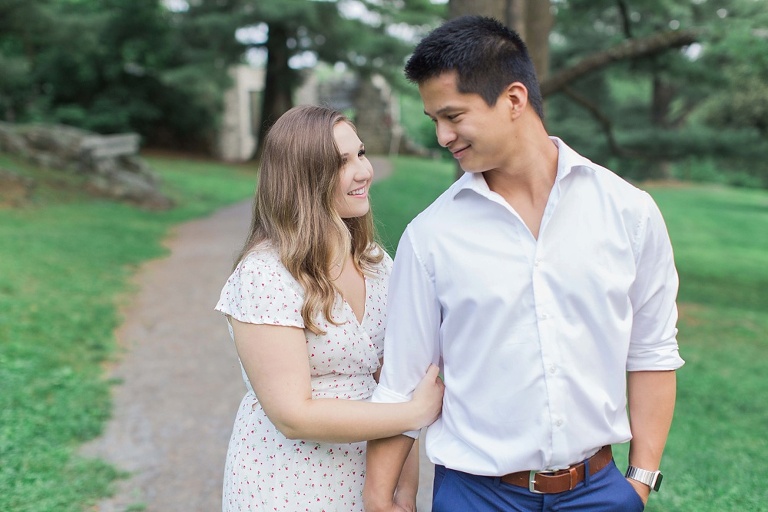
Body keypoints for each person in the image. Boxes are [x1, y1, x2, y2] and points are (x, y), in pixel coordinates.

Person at [363, 16, 684, 512]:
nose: (443, 136)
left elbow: (652, 354)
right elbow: (403, 383)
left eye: (453, 116)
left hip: (599, 492)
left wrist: (638, 483)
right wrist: (378, 497)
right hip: (475, 494)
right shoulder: (430, 237)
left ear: (514, 100)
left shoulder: (629, 212)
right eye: (434, 122)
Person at [214, 105, 444, 512]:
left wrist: (402, 493)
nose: (364, 171)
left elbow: (396, 383)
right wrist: (414, 413)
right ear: (303, 179)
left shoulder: (374, 262)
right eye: (342, 162)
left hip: (371, 478)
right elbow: (293, 415)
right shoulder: (265, 275)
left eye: (361, 153)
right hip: (287, 485)